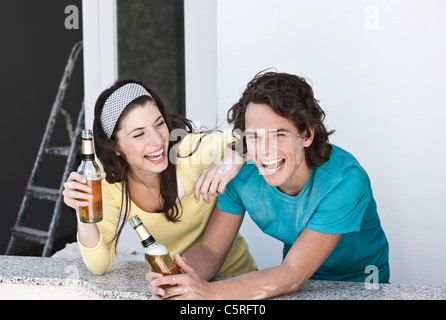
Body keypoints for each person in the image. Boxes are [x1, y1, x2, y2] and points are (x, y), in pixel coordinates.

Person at [147, 71, 390, 300]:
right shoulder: (241, 174)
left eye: (278, 134)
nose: (265, 151)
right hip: (295, 287)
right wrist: (176, 278)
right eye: (254, 136)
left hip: (360, 284)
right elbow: (211, 250)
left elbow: (294, 273)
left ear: (307, 135)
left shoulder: (345, 180)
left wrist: (210, 293)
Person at [62, 80, 257, 276]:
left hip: (237, 278)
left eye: (160, 124)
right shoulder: (105, 178)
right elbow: (99, 265)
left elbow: (267, 134)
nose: (157, 141)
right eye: (139, 134)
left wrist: (236, 157)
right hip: (181, 281)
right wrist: (83, 210)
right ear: (115, 147)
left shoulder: (192, 152)